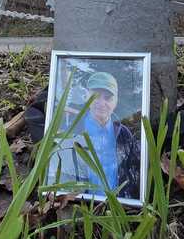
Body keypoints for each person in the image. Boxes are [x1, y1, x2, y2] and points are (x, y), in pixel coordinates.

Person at [51, 71, 141, 200]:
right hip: (80, 204)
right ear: (86, 96)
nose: (101, 102)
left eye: (108, 97)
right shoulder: (71, 130)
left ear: (116, 101)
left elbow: (133, 173)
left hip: (119, 206)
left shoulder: (124, 134)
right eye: (96, 96)